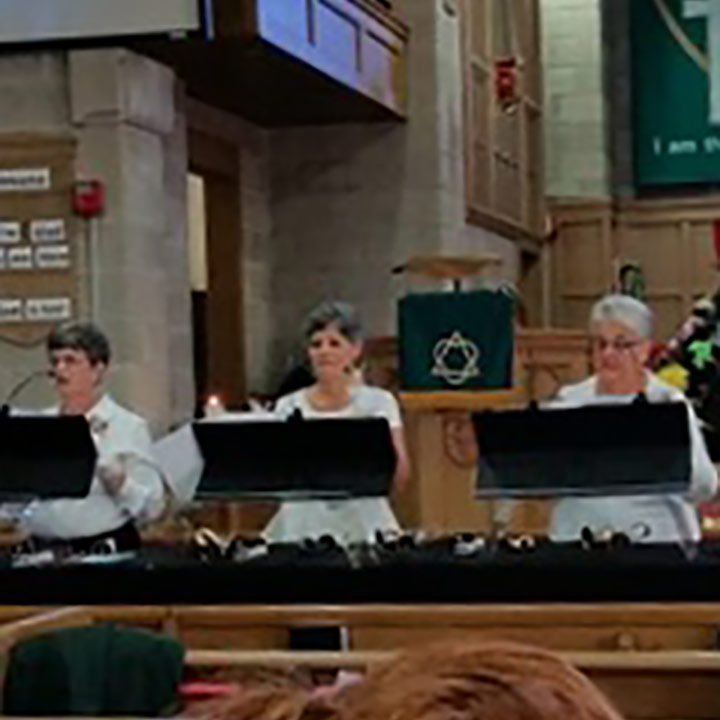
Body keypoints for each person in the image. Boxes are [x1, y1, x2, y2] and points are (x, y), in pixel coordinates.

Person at [549, 295, 718, 544]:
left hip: (656, 540)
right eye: (600, 344)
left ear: (644, 350)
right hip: (578, 539)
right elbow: (544, 476)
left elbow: (704, 485)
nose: (608, 354)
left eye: (620, 345)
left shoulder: (667, 402)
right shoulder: (569, 401)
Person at [264, 301, 409, 544]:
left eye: (334, 344)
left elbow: (400, 471)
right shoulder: (289, 406)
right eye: (316, 344)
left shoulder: (379, 403)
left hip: (363, 517)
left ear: (355, 350)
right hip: (302, 520)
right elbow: (278, 473)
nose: (324, 352)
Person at [22, 322, 166, 551]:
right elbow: (15, 500)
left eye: (70, 361)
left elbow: (153, 508)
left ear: (97, 369)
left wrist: (121, 485)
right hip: (42, 554)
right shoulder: (38, 427)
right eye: (55, 361)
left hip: (101, 553)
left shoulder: (127, 427)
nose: (60, 369)